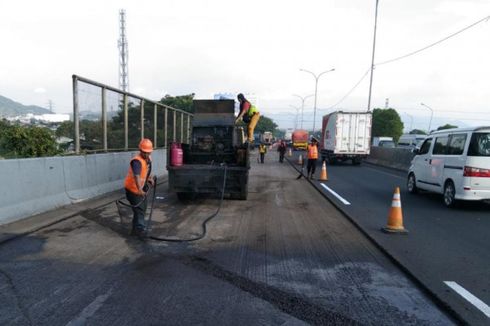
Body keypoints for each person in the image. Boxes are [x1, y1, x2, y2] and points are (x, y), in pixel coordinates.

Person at [124, 138, 155, 237]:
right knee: (140, 210)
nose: (146, 154)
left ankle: (134, 231)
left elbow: (145, 171)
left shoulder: (148, 159)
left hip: (139, 190)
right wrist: (140, 189)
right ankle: (141, 230)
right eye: (144, 152)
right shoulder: (136, 162)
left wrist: (149, 178)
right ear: (140, 150)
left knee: (141, 209)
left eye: (148, 152)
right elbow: (137, 176)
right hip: (132, 190)